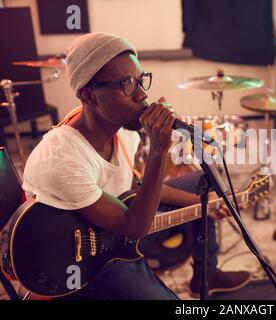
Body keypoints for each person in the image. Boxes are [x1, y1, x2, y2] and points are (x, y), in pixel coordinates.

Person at [22, 32, 250, 300]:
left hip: (119, 222)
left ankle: (205, 273)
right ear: (88, 95)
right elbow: (134, 227)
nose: (142, 95)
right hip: (84, 259)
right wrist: (158, 151)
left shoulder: (123, 131)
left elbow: (132, 186)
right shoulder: (62, 158)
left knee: (204, 179)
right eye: (126, 84)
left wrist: (201, 202)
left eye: (141, 81)